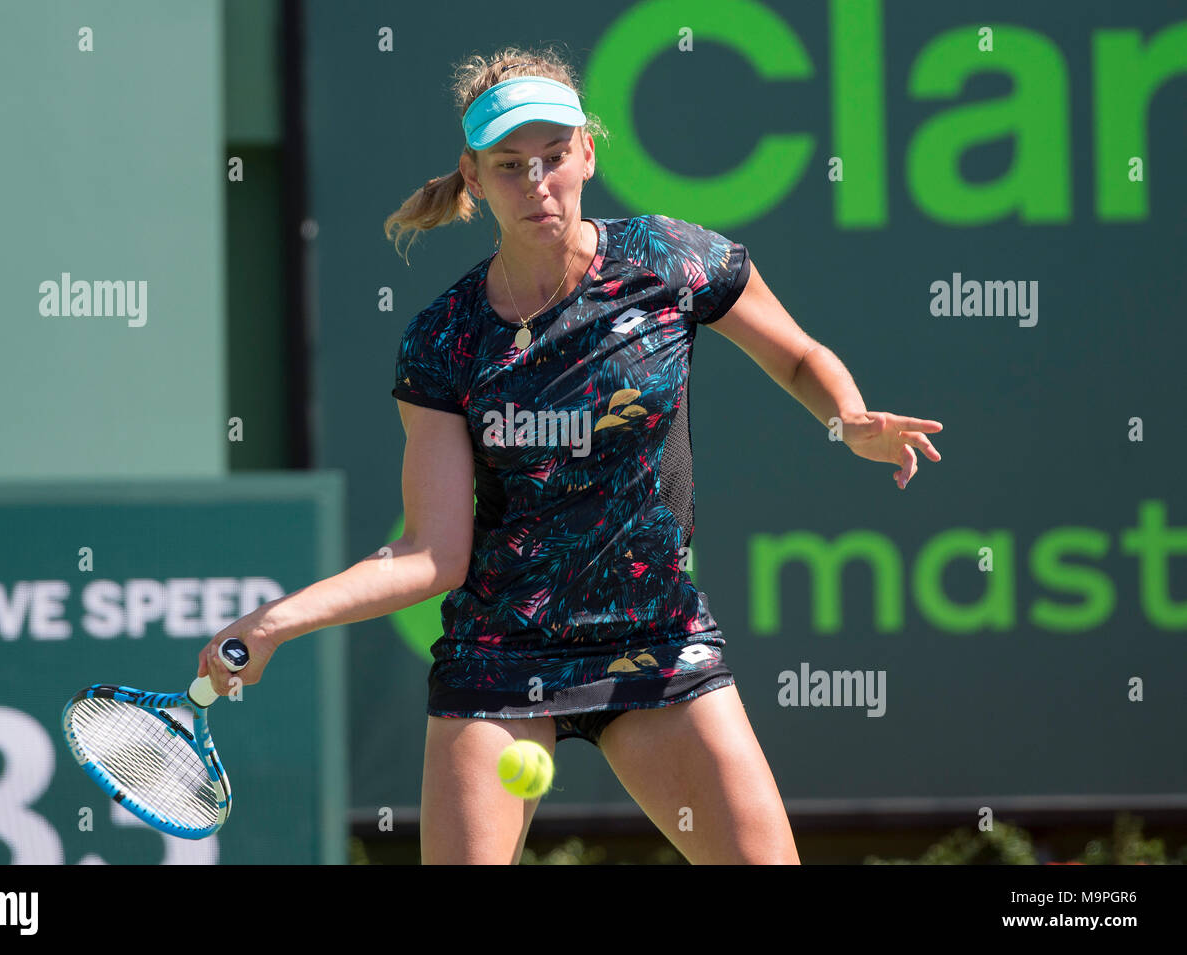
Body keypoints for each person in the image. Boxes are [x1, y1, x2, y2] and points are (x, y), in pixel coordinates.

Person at [198, 46, 942, 865]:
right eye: (510, 165)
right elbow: (432, 553)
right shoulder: (444, 339)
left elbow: (798, 355)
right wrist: (276, 621)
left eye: (555, 156)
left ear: (588, 151)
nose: (538, 181)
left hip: (656, 643)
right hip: (498, 656)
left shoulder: (670, 262)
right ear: (473, 178)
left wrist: (848, 416)